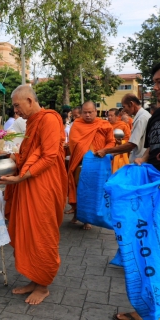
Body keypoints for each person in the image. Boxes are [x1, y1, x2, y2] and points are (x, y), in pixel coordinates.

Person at [0, 85, 67, 305]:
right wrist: (9, 158)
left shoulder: (50, 120)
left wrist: (21, 177)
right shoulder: (32, 123)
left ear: (30, 100)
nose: (16, 111)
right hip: (29, 182)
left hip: (43, 185)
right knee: (29, 232)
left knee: (42, 233)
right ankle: (35, 280)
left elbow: (49, 156)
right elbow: (26, 154)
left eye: (17, 105)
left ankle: (43, 286)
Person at [115, 64, 160, 320]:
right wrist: (138, 166)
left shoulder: (145, 116)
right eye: (154, 82)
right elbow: (148, 151)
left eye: (159, 82)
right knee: (149, 249)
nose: (155, 87)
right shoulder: (155, 117)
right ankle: (145, 309)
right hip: (151, 193)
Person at [67, 101, 115, 229]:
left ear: (96, 112)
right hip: (81, 163)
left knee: (93, 191)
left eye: (90, 112)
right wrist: (86, 153)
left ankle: (88, 219)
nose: (87, 115)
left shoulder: (104, 125)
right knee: (79, 189)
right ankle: (77, 212)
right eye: (85, 112)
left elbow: (111, 142)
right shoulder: (77, 124)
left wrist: (104, 150)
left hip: (98, 165)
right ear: (81, 113)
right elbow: (74, 143)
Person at [95, 94, 150, 163]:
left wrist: (106, 150)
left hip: (140, 162)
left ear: (131, 104)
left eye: (124, 106)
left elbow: (131, 144)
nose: (124, 110)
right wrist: (115, 153)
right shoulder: (142, 116)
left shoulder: (142, 118)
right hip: (135, 157)